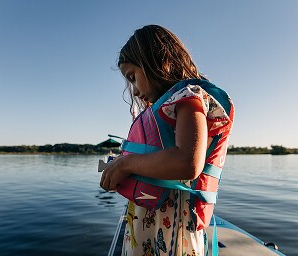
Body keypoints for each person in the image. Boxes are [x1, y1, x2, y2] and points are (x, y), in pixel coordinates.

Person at [99, 25, 235, 255]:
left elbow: (187, 162)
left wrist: (125, 164)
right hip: (149, 230)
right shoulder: (168, 105)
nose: (133, 91)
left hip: (172, 233)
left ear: (157, 63)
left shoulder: (188, 97)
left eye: (133, 77)